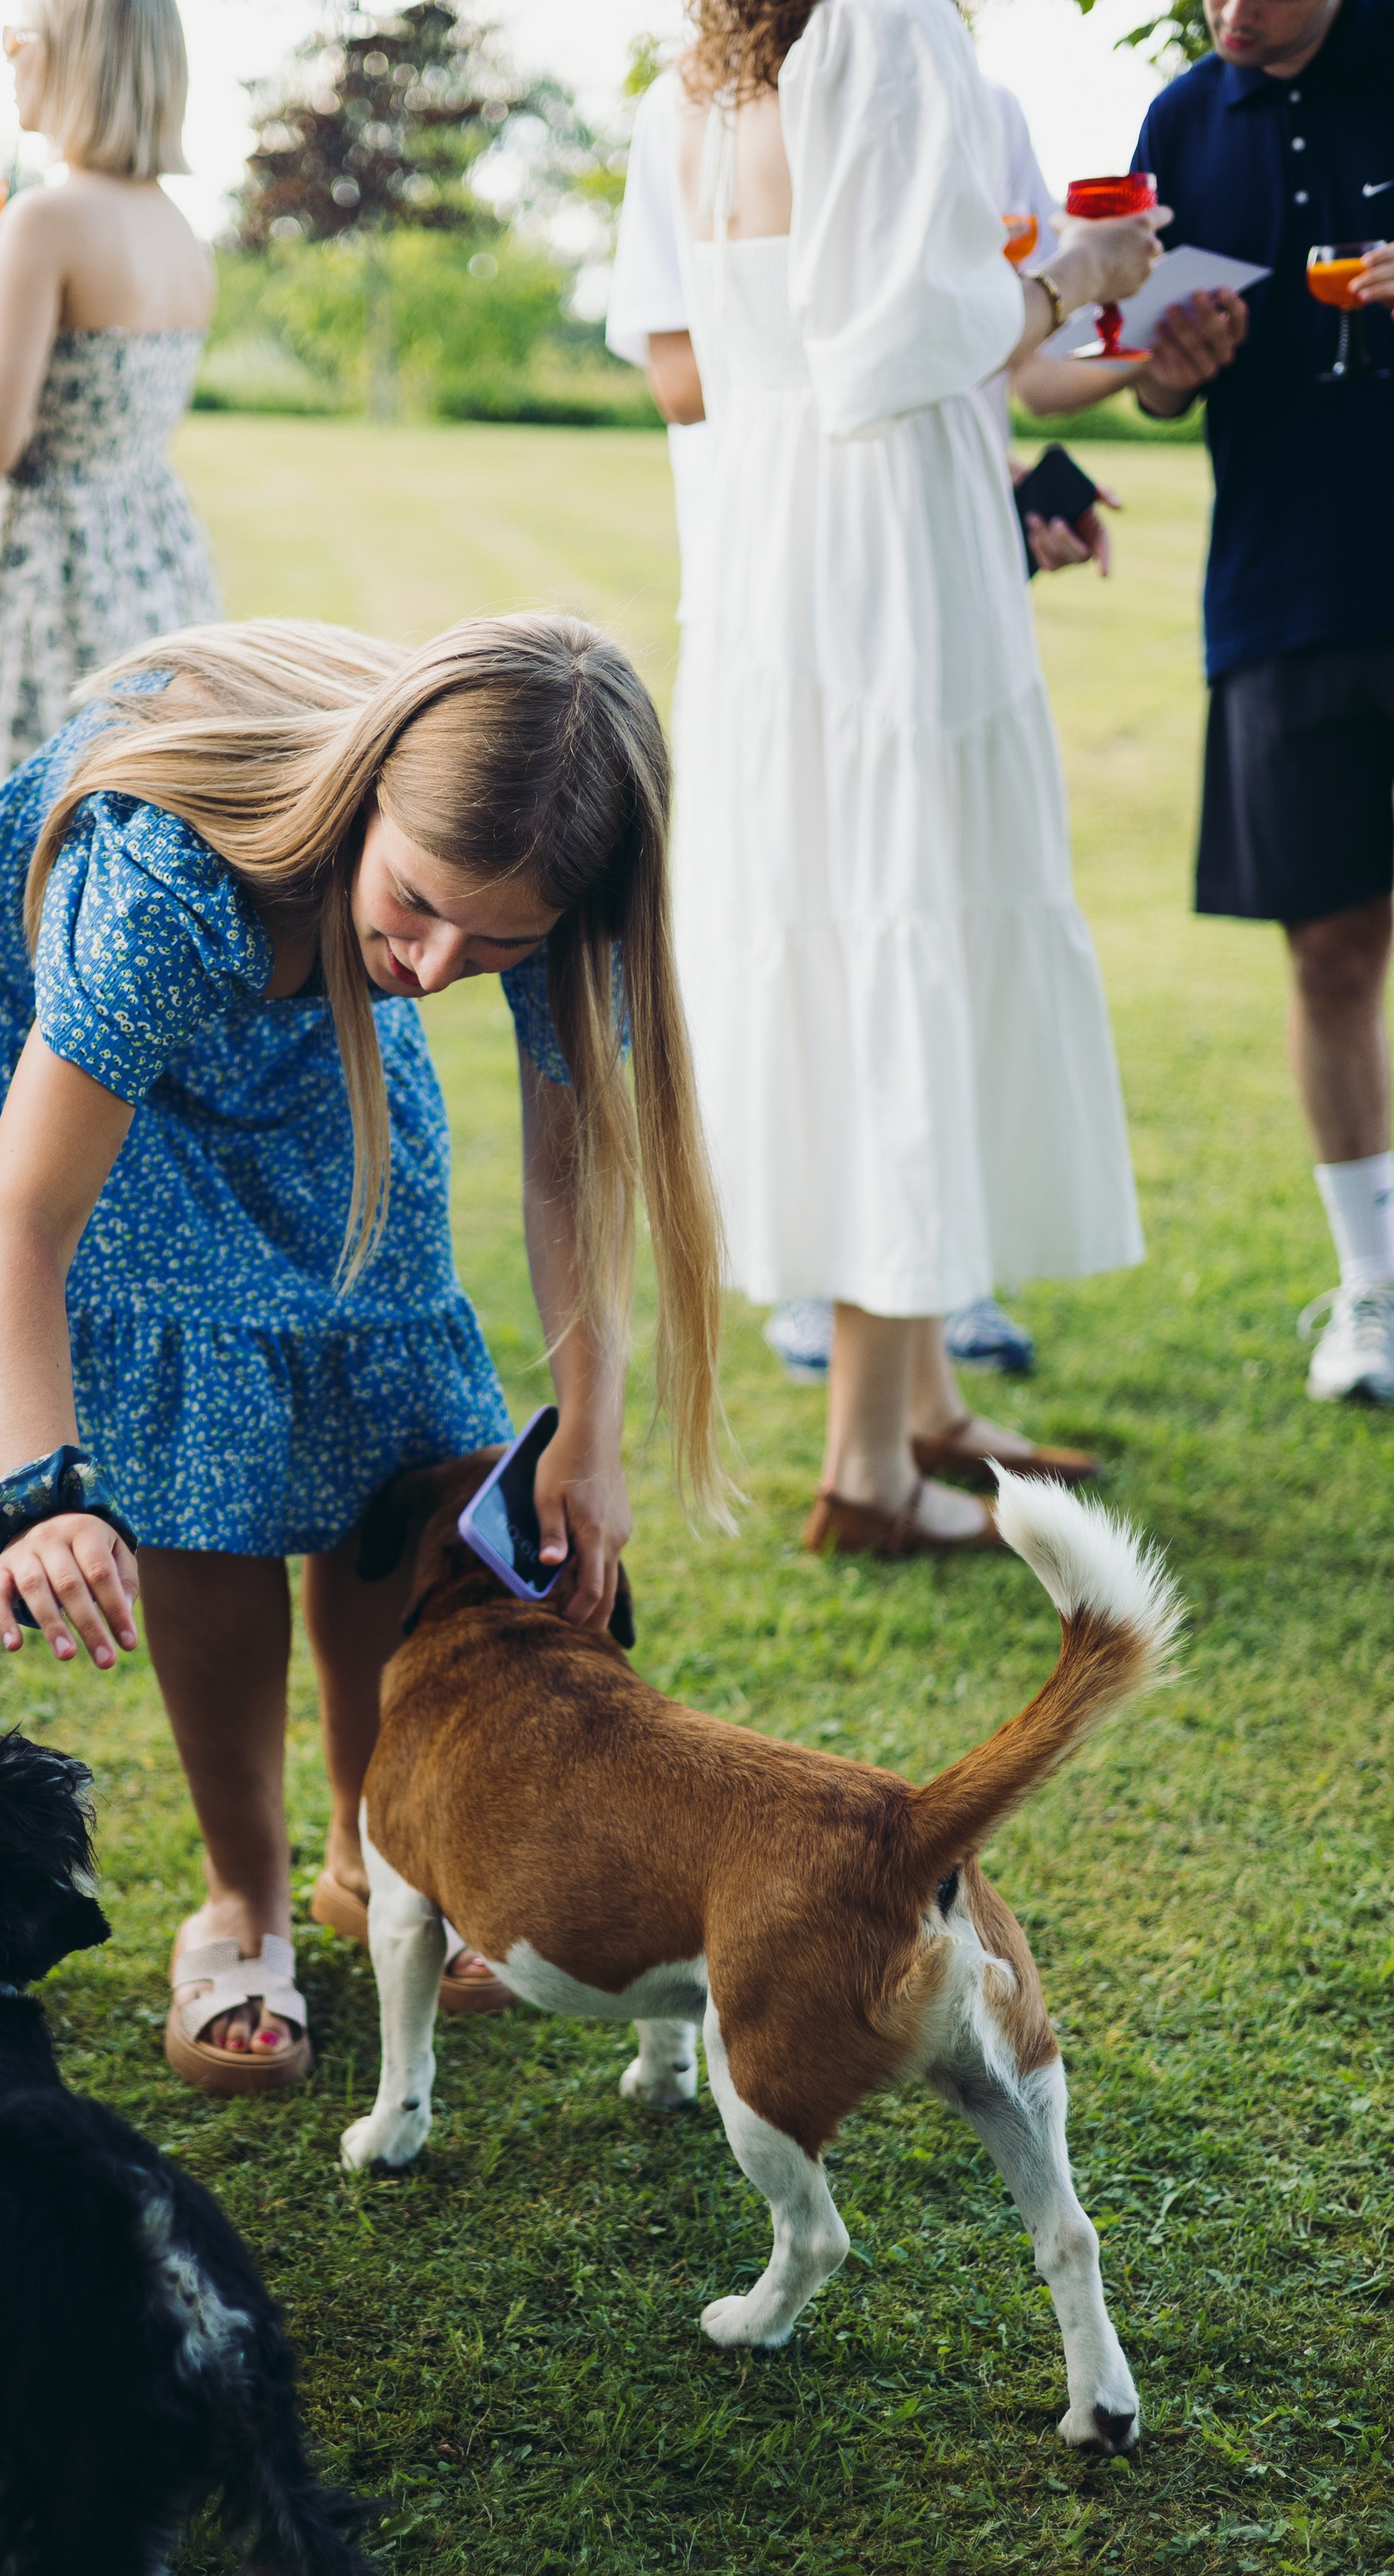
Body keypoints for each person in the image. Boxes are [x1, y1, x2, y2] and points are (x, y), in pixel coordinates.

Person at [0, 614, 726, 2090]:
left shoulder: (532, 895)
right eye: (422, 906)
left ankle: (384, 1853)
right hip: (97, 1053)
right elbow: (23, 1222)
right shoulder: (167, 881)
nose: (439, 966)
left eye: (500, 944)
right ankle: (243, 1901)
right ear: (369, 799)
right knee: (208, 1456)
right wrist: (35, 1488)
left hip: (313, 1016)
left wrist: (595, 1440)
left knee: (385, 1424)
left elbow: (570, 1173)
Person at [657, 0, 1158, 1555]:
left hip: (780, 540)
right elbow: (907, 334)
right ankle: (866, 1470)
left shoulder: (719, 71)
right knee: (899, 931)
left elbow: (782, 341)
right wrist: (1083, 274)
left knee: (878, 923)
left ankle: (924, 1400)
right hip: (881, 557)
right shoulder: (887, 23)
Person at [1126, 0, 1394, 1405]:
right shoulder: (1180, 120)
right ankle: (1376, 1296)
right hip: (1286, 595)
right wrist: (1168, 376)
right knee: (1332, 952)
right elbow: (1147, 383)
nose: (1228, 11)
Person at [0, 0, 223, 835]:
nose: (8, 54)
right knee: (145, 813)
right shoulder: (182, 233)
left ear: (74, 62)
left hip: (57, 560)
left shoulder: (45, 220)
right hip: (157, 553)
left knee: (35, 831)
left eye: (18, 36)